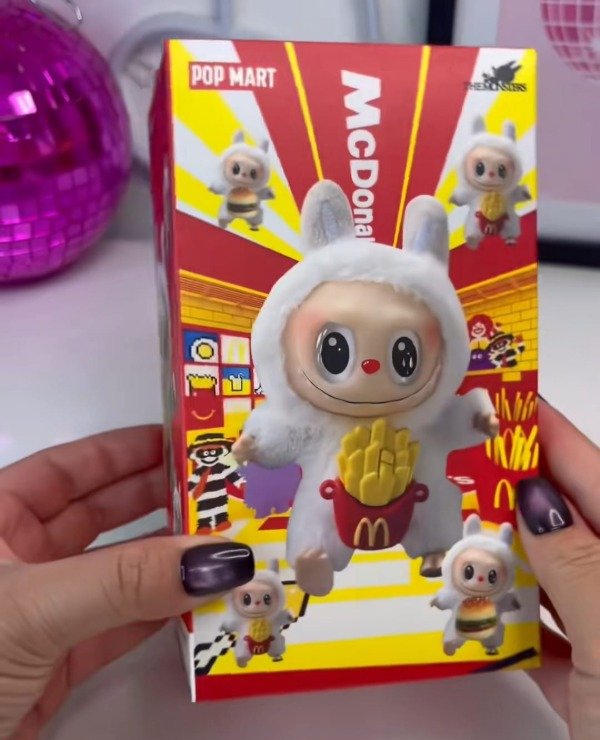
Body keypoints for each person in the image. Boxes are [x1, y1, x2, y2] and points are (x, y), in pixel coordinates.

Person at [0, 400, 598, 739]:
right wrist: (253, 444)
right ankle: (320, 567)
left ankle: (432, 551)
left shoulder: (425, 414)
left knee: (436, 507)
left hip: (416, 511)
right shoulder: (313, 419)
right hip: (333, 511)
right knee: (318, 529)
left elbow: (454, 419)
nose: (370, 374)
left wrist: (482, 422)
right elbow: (281, 431)